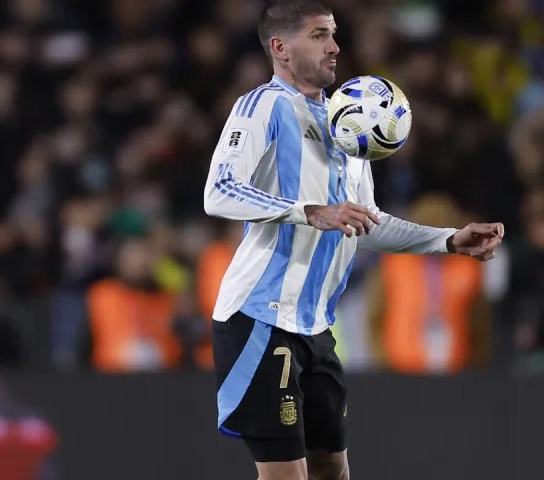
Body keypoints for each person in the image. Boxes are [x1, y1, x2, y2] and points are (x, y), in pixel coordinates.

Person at [202, 2, 504, 479]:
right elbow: (218, 193)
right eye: (319, 35)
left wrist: (448, 241)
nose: (335, 47)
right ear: (280, 47)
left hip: (315, 327)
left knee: (331, 469)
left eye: (334, 34)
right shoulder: (263, 107)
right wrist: (310, 211)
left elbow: (367, 221)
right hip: (259, 318)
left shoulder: (348, 124)